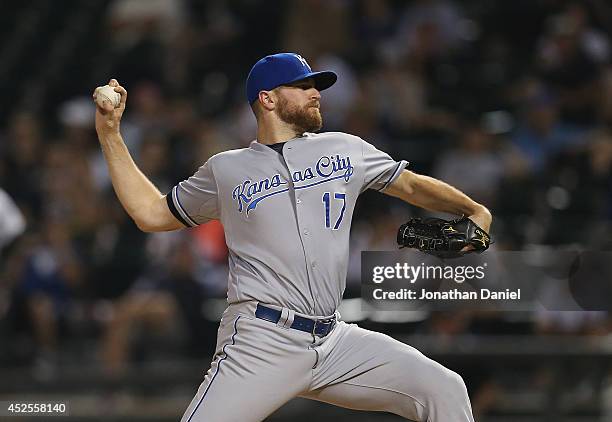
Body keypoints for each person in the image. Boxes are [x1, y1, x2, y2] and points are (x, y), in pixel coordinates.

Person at [93, 52, 491, 422]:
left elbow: (410, 186)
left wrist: (473, 210)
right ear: (267, 99)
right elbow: (151, 213)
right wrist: (110, 134)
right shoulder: (227, 170)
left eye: (314, 85)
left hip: (335, 340)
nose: (315, 93)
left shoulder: (346, 148)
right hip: (262, 340)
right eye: (302, 86)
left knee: (444, 388)